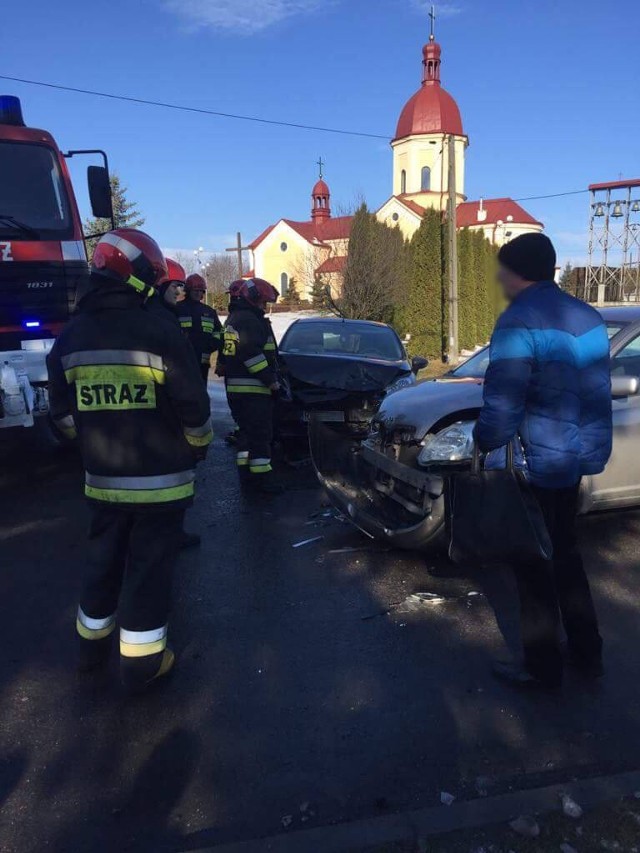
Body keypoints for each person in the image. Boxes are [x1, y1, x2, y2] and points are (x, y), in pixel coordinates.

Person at [47, 229, 213, 693]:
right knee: (147, 571)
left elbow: (59, 415)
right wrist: (196, 449)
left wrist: (91, 445)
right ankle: (142, 664)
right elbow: (194, 409)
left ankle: (89, 651)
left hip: (101, 482)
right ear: (139, 277)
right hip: (162, 486)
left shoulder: (70, 338)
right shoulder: (159, 331)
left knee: (102, 562)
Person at [474, 232, 612, 690]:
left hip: (537, 463)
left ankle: (542, 668)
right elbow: (595, 397)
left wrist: (483, 440)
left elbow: (504, 399)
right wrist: (590, 455)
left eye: (502, 270)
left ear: (519, 273)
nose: (498, 278)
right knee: (567, 554)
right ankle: (587, 655)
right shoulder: (589, 318)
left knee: (532, 563)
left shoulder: (518, 321)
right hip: (571, 461)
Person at [147, 256, 203, 550]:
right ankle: (167, 536)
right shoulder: (159, 321)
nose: (180, 293)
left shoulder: (162, 315)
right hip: (163, 417)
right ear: (159, 287)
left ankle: (171, 533)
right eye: (176, 288)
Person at [222, 277, 281, 493]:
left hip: (236, 390)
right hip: (254, 391)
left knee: (245, 436)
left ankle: (246, 479)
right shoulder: (249, 321)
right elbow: (252, 355)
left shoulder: (234, 318)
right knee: (260, 436)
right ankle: (262, 484)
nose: (265, 308)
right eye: (263, 303)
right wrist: (271, 381)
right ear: (254, 299)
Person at [179, 273, 223, 383]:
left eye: (201, 291)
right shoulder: (177, 308)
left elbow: (219, 332)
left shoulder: (209, 311)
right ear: (188, 290)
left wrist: (212, 344)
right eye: (196, 291)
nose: (199, 293)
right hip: (181, 361)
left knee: (201, 393)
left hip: (203, 361)